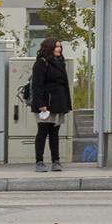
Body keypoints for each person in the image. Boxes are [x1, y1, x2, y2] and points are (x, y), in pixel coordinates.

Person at [29, 37, 73, 171]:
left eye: (60, 46)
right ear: (49, 48)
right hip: (45, 104)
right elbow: (37, 86)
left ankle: (56, 161)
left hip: (58, 103)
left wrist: (66, 104)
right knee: (42, 131)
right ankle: (39, 161)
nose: (59, 49)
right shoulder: (41, 63)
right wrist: (41, 104)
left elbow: (65, 84)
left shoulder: (60, 62)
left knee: (54, 133)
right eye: (56, 46)